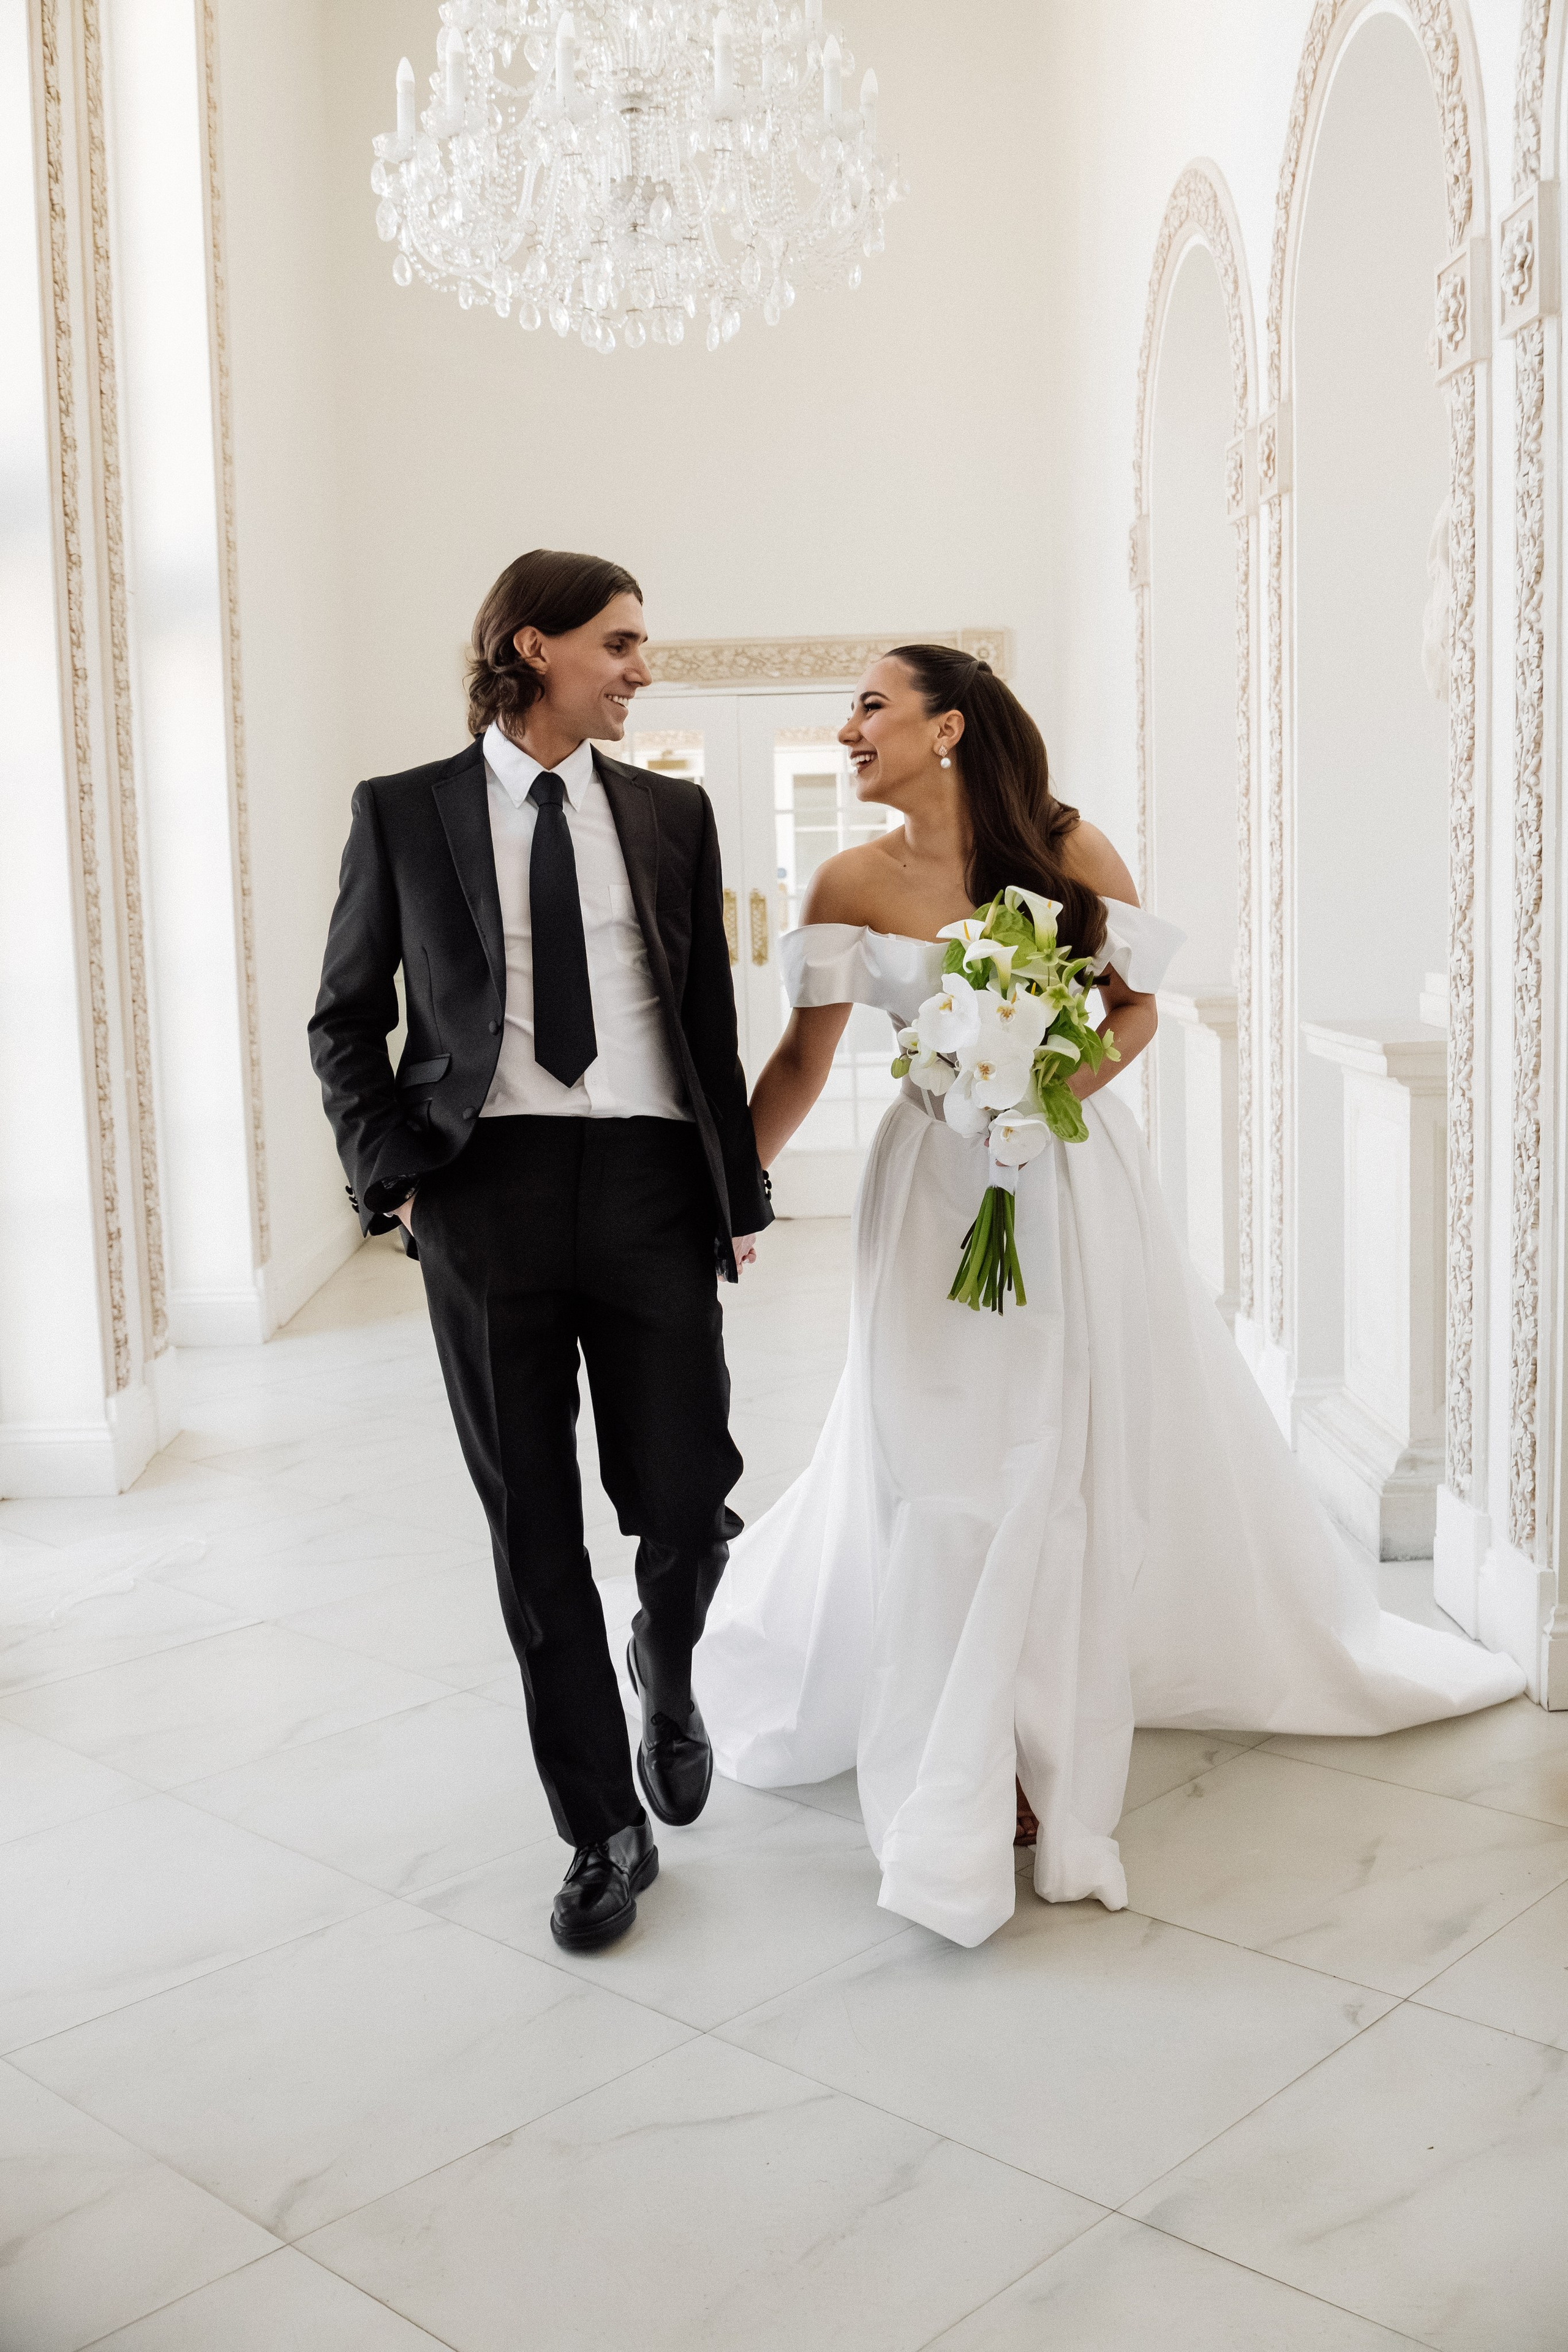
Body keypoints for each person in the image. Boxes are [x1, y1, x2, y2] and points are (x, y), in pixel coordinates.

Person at [693, 643, 1524, 1950]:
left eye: (868, 705)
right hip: (923, 1195)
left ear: (948, 727)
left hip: (1062, 1182)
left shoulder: (1069, 847)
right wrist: (729, 1192)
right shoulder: (844, 879)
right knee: (934, 1452)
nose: (843, 727)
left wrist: (1051, 1083)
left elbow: (1133, 1010)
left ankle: (1028, 1751)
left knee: (1042, 1449)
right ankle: (951, 1727)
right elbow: (803, 1055)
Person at [309, 549, 769, 1954]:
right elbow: (344, 1019)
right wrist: (396, 1182)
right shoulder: (401, 814)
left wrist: (734, 1197)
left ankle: (667, 1667)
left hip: (644, 1181)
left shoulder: (672, 814)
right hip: (484, 1191)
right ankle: (597, 1829)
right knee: (531, 1528)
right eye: (619, 643)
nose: (641, 668)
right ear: (533, 645)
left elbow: (703, 1028)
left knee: (686, 1494)